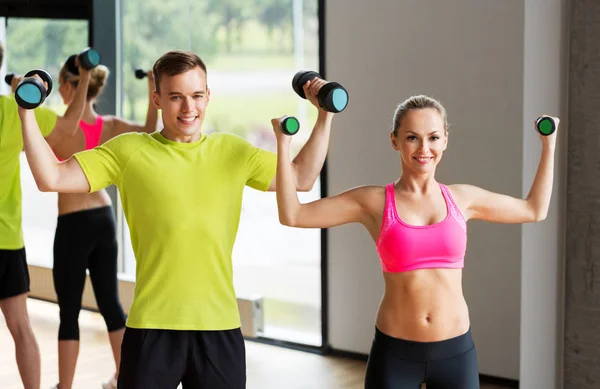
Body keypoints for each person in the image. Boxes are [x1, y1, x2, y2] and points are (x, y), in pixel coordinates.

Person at [17, 49, 335, 389]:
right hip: (152, 328)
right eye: (176, 97)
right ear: (156, 99)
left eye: (197, 96)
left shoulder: (233, 152)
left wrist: (324, 116)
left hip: (219, 328)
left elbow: (301, 177)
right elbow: (51, 178)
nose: (188, 108)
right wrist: (26, 113)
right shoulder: (128, 151)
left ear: (208, 96)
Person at [272, 94, 557, 389]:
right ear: (395, 140)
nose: (424, 148)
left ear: (445, 140)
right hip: (395, 354)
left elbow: (534, 209)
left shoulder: (463, 199)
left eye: (433, 137)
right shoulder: (374, 202)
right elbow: (294, 215)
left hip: (455, 353)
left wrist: (549, 144)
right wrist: (282, 145)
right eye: (412, 137)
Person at [49, 57, 158, 389]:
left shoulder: (60, 127)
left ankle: (64, 387)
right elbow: (149, 131)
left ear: (69, 87)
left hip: (72, 223)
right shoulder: (108, 125)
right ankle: (125, 380)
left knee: (69, 313)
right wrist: (152, 83)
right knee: (110, 304)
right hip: (103, 218)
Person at [0, 40, 92, 389]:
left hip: (8, 239)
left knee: (21, 329)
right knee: (21, 327)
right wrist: (84, 77)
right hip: (7, 240)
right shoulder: (13, 111)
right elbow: (70, 125)